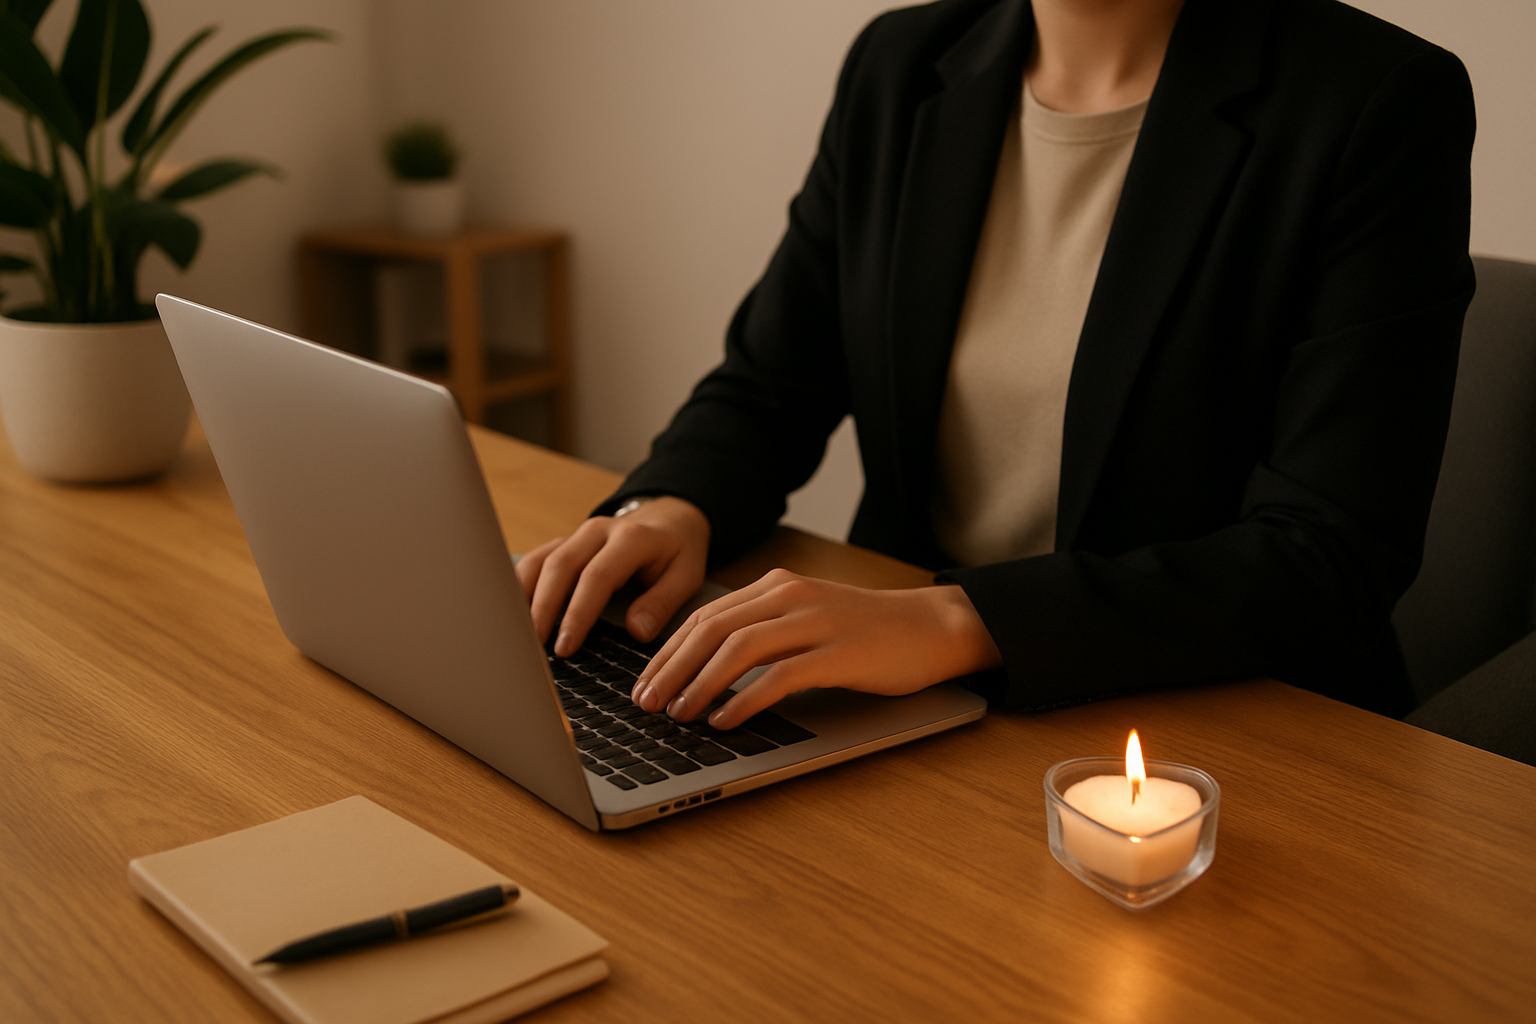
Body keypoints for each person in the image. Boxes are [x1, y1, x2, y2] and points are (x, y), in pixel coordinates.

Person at [516, 0, 1476, 731]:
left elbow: (1328, 557)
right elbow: (773, 379)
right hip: (913, 707)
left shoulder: (1376, 102)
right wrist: (674, 505)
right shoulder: (900, 67)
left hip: (1218, 725)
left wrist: (956, 622)